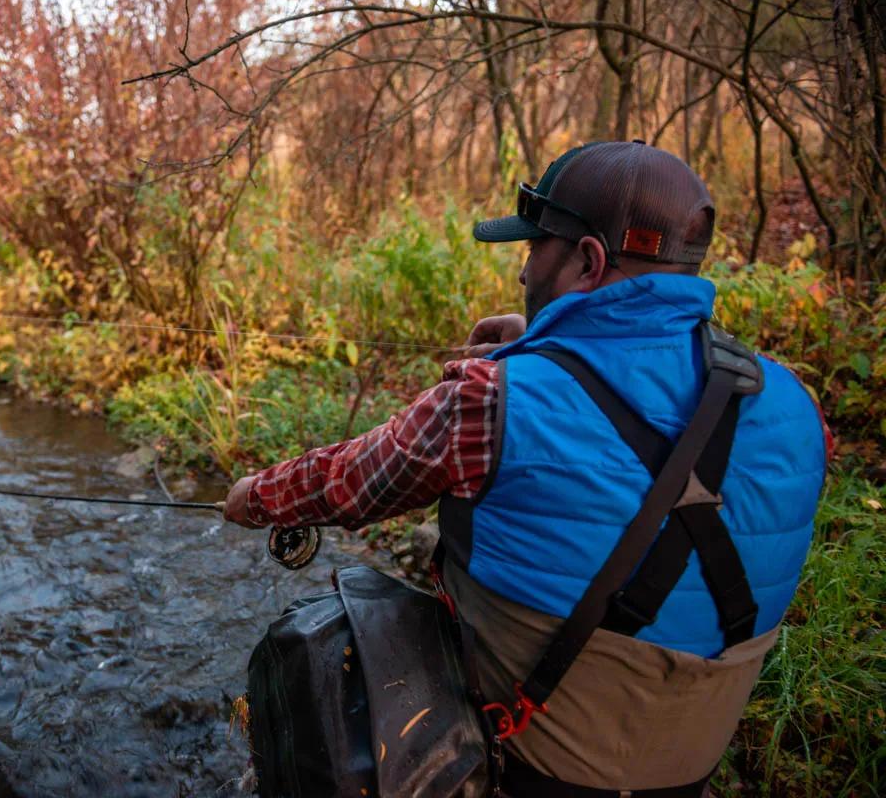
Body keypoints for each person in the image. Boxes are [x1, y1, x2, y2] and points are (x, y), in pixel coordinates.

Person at [224, 141, 830, 797]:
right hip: (687, 769)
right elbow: (661, 397)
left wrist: (252, 496)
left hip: (533, 765)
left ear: (588, 261)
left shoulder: (489, 404)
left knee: (338, 632)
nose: (522, 271)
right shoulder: (798, 406)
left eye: (535, 246)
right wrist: (551, 347)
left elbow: (346, 484)